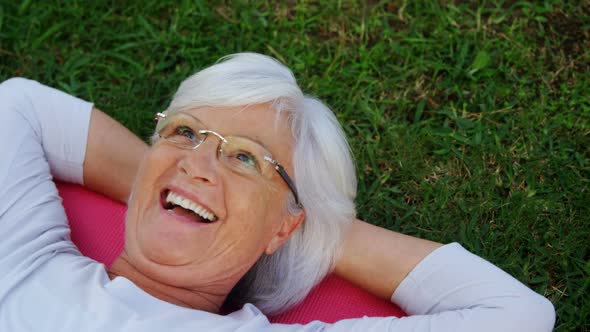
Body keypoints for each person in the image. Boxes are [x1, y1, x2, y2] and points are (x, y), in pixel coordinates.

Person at [0, 53, 555, 331]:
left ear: (287, 225)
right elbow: (16, 105)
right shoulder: (23, 260)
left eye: (244, 157)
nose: (198, 162)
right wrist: (164, 183)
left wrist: (308, 231)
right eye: (185, 132)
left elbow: (516, 315)